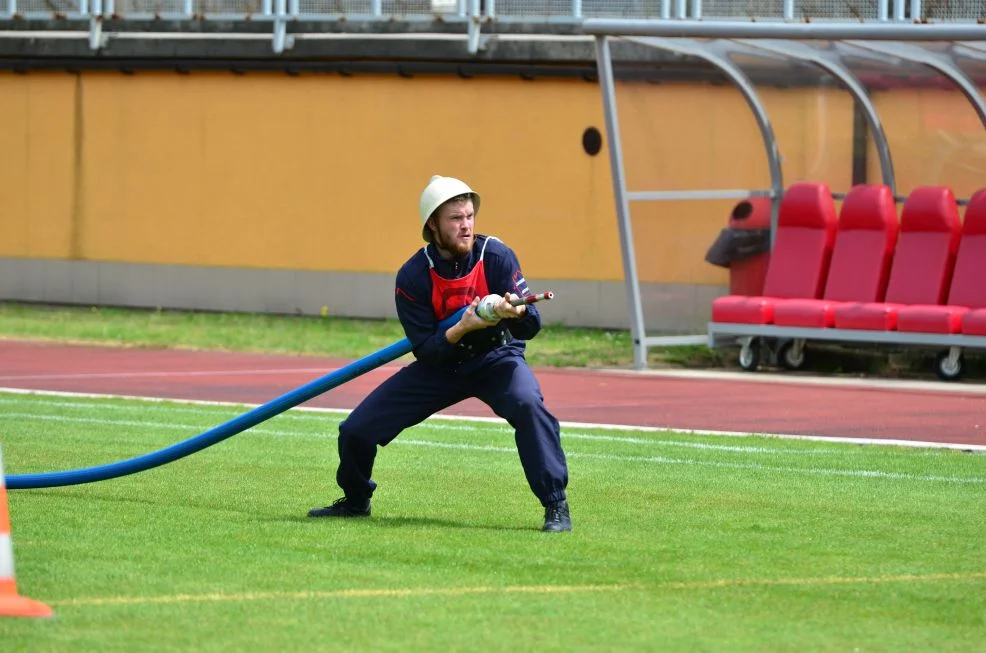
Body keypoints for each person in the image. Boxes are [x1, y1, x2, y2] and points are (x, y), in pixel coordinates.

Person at [308, 175, 572, 532]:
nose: (466, 226)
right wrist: (462, 327)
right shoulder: (413, 276)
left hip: (497, 358)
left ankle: (555, 505)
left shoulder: (496, 256)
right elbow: (428, 352)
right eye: (455, 219)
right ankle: (355, 502)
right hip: (441, 365)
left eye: (469, 217)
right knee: (355, 430)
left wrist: (519, 312)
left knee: (528, 405)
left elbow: (533, 325)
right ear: (432, 224)